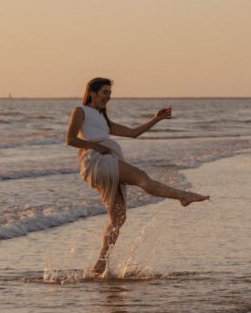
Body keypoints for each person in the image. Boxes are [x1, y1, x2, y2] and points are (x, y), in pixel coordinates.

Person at [66, 77, 209, 276]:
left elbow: (133, 133)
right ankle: (182, 196)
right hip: (98, 161)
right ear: (92, 93)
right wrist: (96, 146)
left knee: (118, 216)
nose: (109, 97)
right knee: (142, 177)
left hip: (105, 161)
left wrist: (156, 119)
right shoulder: (80, 111)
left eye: (110, 93)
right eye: (105, 92)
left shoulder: (102, 118)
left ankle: (100, 263)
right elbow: (70, 139)